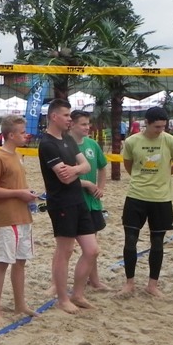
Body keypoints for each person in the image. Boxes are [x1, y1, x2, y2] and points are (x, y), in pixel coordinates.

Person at [119, 106, 173, 298]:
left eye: (163, 126)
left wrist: (163, 175)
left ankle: (152, 285)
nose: (160, 130)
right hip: (136, 196)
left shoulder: (171, 141)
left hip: (161, 198)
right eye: (157, 127)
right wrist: (142, 178)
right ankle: (129, 283)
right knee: (130, 240)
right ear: (146, 123)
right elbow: (129, 165)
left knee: (157, 242)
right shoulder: (132, 141)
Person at [37, 99, 94, 314]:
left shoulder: (68, 139)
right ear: (54, 117)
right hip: (61, 202)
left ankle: (77, 294)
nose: (70, 119)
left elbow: (86, 166)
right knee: (65, 250)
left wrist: (75, 169)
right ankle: (62, 298)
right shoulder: (47, 144)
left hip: (78, 199)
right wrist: (78, 170)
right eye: (66, 115)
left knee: (92, 250)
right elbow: (65, 178)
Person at [0, 115, 37, 325]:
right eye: (22, 132)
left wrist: (27, 194)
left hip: (23, 215)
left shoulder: (18, 155)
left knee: (21, 261)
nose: (26, 135)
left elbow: (16, 186)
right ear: (11, 135)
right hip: (7, 218)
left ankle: (20, 304)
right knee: (2, 262)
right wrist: (19, 193)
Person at [69, 110, 111, 292]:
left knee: (92, 245)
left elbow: (102, 167)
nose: (87, 127)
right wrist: (86, 184)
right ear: (72, 124)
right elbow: (62, 178)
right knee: (66, 248)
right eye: (83, 124)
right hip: (72, 201)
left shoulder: (92, 144)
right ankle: (56, 285)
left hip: (92, 202)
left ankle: (94, 280)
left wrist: (100, 187)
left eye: (88, 124)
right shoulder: (64, 145)